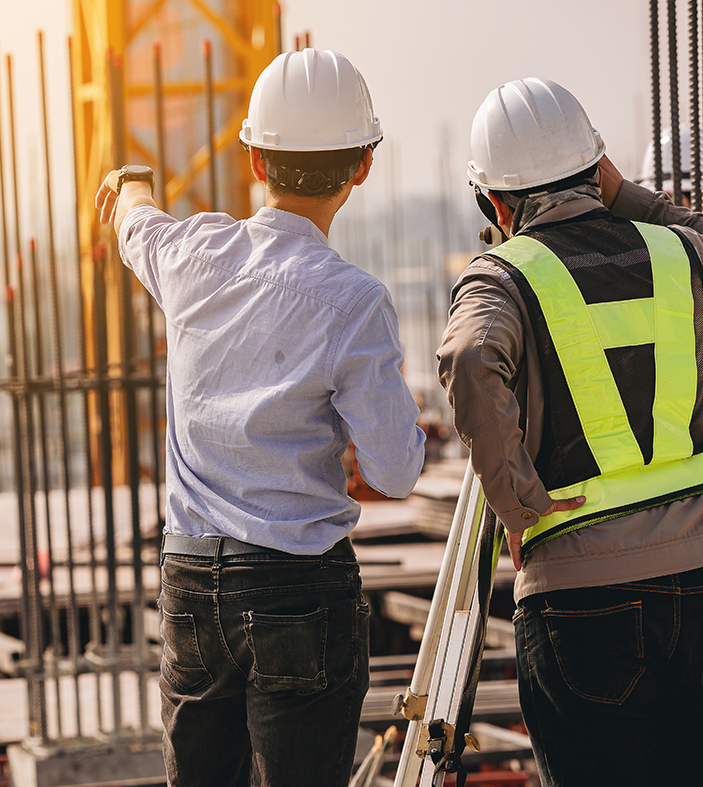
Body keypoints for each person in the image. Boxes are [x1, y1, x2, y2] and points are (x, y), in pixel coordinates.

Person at [95, 48, 426, 787]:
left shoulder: (190, 254)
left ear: (252, 157)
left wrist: (131, 185)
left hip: (188, 584)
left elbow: (134, 220)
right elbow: (397, 471)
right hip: (294, 588)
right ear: (362, 168)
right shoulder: (354, 301)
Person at [438, 77, 703, 786]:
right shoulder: (678, 252)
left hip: (580, 602)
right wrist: (631, 196)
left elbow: (468, 357)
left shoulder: (499, 276)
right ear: (598, 171)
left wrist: (518, 504)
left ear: (492, 202)